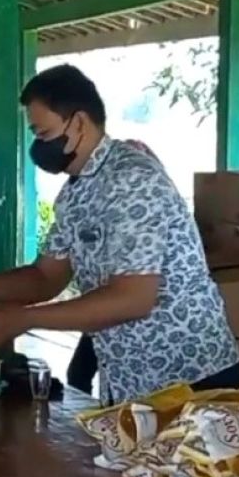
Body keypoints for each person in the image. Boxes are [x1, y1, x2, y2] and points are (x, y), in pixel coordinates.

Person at [0, 64, 239, 405]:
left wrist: (25, 318)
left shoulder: (132, 179)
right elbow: (46, 277)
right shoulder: (76, 193)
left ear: (79, 123)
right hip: (131, 383)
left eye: (42, 133)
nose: (38, 146)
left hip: (192, 381)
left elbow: (133, 298)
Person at [66, 139, 160, 395]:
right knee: (79, 374)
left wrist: (26, 318)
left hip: (128, 320)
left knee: (80, 373)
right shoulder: (94, 205)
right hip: (106, 316)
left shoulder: (149, 206)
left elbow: (135, 294)